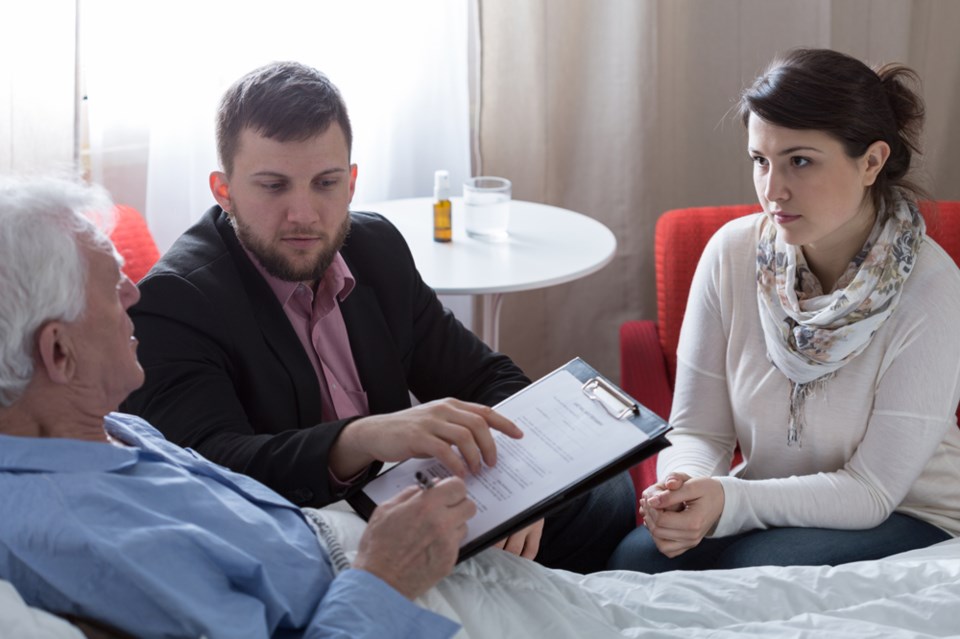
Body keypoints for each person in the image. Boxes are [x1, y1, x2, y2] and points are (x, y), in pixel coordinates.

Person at [120, 61, 634, 574]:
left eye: (325, 182)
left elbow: (487, 377)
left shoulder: (375, 247)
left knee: (604, 489)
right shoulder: (174, 300)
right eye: (273, 186)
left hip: (402, 510)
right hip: (295, 544)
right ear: (224, 190)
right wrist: (359, 439)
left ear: (351, 183)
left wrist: (527, 484)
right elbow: (213, 465)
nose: (303, 214)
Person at [0, 175, 475, 638]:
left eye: (326, 182)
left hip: (362, 549)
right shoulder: (87, 538)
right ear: (59, 352)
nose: (134, 293)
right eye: (111, 287)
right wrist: (385, 577)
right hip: (387, 595)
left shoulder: (106, 427)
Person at [609, 48, 960, 573]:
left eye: (800, 160)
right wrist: (680, 487)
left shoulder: (932, 290)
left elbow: (871, 490)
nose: (772, 190)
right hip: (768, 501)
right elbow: (699, 431)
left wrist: (729, 501)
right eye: (760, 160)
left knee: (758, 567)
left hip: (908, 513)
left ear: (871, 162)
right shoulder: (731, 254)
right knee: (637, 558)